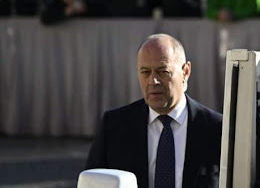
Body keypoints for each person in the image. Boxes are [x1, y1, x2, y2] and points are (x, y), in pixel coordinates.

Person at [85, 34, 223, 188]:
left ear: (185, 72)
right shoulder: (114, 126)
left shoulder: (217, 129)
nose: (153, 81)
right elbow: (93, 181)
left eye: (163, 72)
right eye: (145, 72)